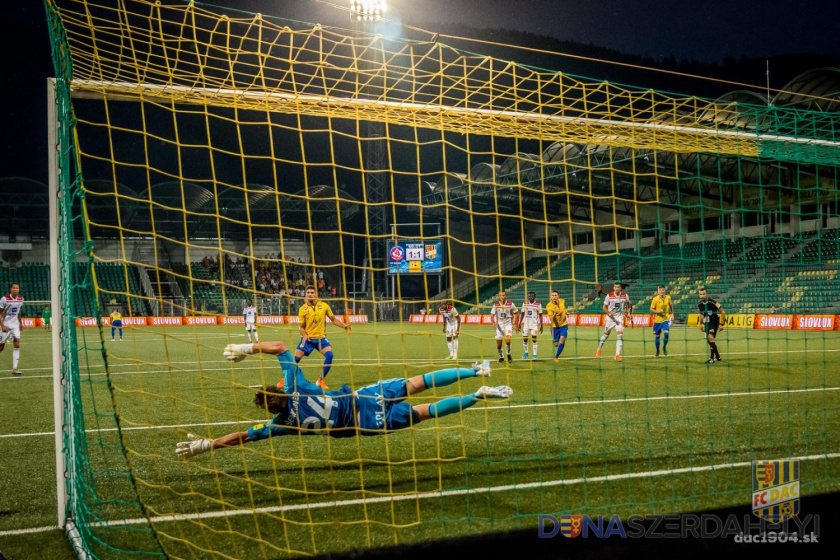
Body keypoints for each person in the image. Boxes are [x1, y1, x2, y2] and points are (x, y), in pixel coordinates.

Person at [175, 342, 511, 458]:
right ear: (277, 390)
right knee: (417, 383)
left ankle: (476, 396)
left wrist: (210, 444)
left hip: (364, 425)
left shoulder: (282, 425)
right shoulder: (295, 384)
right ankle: (475, 373)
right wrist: (246, 349)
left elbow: (245, 437)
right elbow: (280, 347)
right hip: (361, 397)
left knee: (427, 412)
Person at [293, 286, 352, 390]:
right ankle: (285, 379)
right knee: (295, 360)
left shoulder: (324, 306)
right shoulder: (302, 309)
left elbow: (333, 319)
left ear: (316, 294)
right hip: (308, 339)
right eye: (308, 292)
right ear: (305, 295)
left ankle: (320, 380)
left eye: (312, 292)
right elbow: (301, 328)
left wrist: (344, 326)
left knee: (329, 355)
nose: (310, 294)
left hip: (321, 338)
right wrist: (305, 335)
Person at [596, 282, 632, 362]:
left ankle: (617, 355)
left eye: (618, 287)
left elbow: (629, 303)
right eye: (615, 287)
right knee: (605, 335)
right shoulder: (609, 296)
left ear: (620, 288)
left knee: (619, 335)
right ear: (613, 288)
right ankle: (599, 349)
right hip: (610, 318)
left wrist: (628, 313)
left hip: (619, 318)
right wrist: (609, 313)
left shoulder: (625, 296)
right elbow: (604, 307)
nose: (616, 289)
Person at [0, 283, 24, 375]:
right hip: (5, 324)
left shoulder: (21, 299)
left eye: (17, 288)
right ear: (10, 289)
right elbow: (0, 313)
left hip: (15, 325)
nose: (15, 289)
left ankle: (15, 369)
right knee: (1, 347)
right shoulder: (4, 299)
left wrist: (20, 323)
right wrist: (2, 325)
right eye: (13, 288)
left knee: (17, 344)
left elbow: (18, 311)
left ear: (19, 289)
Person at [698, 287, 725, 364]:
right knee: (709, 339)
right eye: (700, 294)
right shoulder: (700, 304)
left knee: (710, 337)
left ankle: (711, 358)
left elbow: (722, 312)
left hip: (714, 321)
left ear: (707, 294)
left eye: (704, 294)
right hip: (707, 322)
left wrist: (721, 324)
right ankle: (718, 356)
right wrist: (701, 324)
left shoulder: (713, 302)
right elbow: (701, 315)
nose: (702, 296)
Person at [492, 290, 518, 363]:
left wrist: (515, 324)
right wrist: (493, 322)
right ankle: (501, 356)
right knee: (499, 346)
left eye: (503, 295)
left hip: (508, 325)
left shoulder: (510, 304)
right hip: (499, 326)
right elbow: (492, 315)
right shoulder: (496, 304)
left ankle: (508, 354)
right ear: (498, 296)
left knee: (508, 340)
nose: (502, 297)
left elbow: (516, 313)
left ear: (506, 296)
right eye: (500, 295)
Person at [650, 285, 673, 357]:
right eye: (660, 290)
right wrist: (658, 311)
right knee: (657, 336)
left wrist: (672, 314)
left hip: (665, 319)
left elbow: (671, 306)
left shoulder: (668, 297)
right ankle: (657, 350)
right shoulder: (655, 299)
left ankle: (664, 347)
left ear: (664, 290)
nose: (661, 291)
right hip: (657, 321)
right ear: (658, 291)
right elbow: (651, 309)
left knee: (666, 333)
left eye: (662, 290)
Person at [518, 291, 543, 360]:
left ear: (535, 297)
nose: (531, 297)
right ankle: (526, 353)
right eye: (530, 296)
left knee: (534, 339)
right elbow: (522, 313)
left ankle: (535, 355)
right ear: (528, 297)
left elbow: (540, 315)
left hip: (534, 325)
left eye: (532, 296)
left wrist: (541, 325)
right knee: (525, 339)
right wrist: (519, 323)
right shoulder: (525, 303)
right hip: (526, 324)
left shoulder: (538, 304)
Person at [546, 290, 568, 363]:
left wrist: (566, 312)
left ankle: (556, 357)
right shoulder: (549, 306)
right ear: (551, 297)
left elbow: (563, 308)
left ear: (558, 296)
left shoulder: (562, 301)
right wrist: (555, 313)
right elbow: (551, 318)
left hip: (564, 325)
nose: (554, 297)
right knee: (556, 344)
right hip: (555, 326)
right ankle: (557, 341)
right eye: (553, 295)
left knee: (562, 339)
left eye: (555, 295)